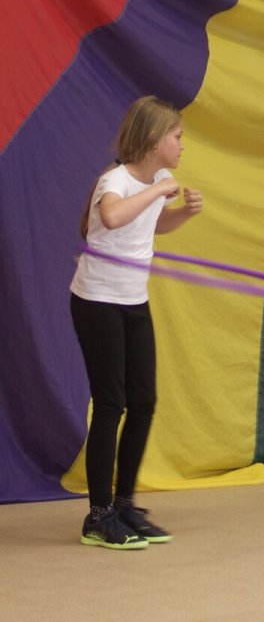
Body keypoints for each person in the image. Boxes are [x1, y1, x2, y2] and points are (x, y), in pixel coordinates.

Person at [70, 96, 203, 549]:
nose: (182, 145)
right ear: (152, 140)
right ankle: (98, 515)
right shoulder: (117, 179)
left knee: (144, 401)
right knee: (111, 403)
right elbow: (111, 216)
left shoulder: (160, 180)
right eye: (177, 136)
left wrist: (182, 213)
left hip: (132, 301)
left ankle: (123, 504)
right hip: (97, 302)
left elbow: (149, 225)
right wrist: (155, 192)